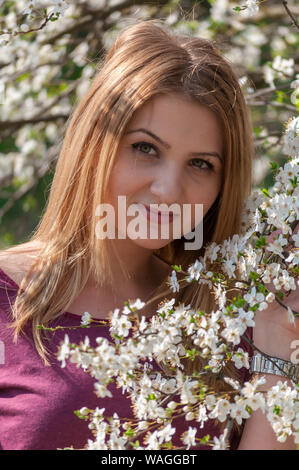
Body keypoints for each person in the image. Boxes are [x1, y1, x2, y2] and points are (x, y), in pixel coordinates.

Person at [0, 19, 297, 451]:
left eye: (201, 164)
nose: (168, 191)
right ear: (92, 144)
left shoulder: (230, 328)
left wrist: (277, 353)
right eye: (145, 148)